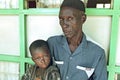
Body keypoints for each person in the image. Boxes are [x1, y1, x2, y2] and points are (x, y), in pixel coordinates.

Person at [47, 0, 107, 80]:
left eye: (70, 19)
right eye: (61, 19)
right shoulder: (52, 44)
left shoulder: (97, 53)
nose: (64, 25)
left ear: (83, 18)